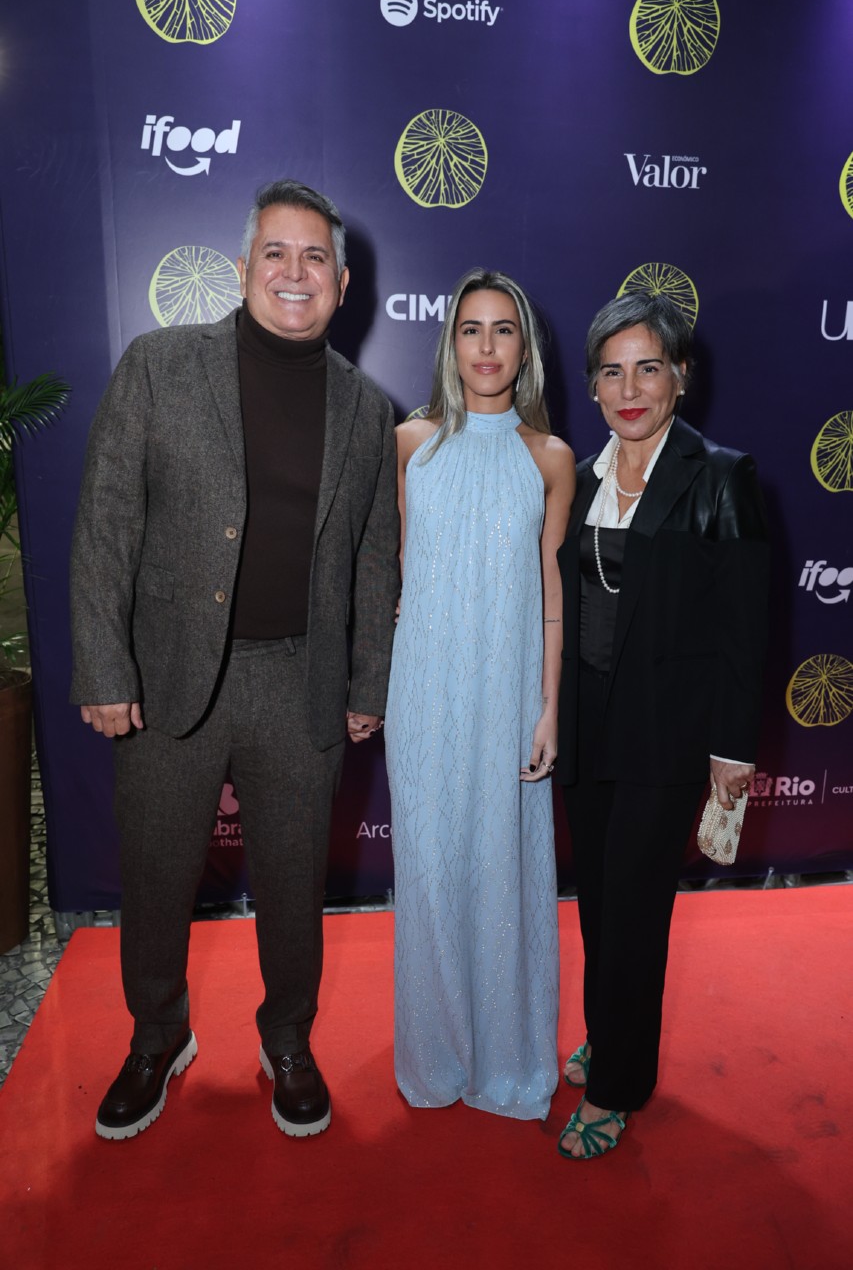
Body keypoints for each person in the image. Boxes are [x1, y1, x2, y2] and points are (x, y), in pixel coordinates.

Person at [69, 179, 399, 1141]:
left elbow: (376, 560)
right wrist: (104, 671)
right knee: (158, 873)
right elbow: (104, 531)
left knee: (295, 885)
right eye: (276, 254)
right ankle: (156, 1037)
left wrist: (366, 682)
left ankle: (286, 1040)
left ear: (340, 283)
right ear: (246, 265)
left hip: (302, 685)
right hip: (171, 677)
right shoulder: (160, 366)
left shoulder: (366, 410)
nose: (293, 274)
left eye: (313, 260)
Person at [555, 292, 770, 1158]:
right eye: (611, 370)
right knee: (598, 908)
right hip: (588, 727)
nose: (629, 387)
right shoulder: (581, 476)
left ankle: (616, 1088)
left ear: (680, 378)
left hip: (667, 737)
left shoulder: (720, 475)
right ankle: (610, 1035)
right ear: (593, 386)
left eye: (648, 367)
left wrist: (730, 751)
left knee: (637, 911)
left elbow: (742, 630)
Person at [385, 269, 575, 1120]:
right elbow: (397, 572)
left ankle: (504, 1057)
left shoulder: (550, 458)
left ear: (524, 349)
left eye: (504, 330)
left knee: (501, 877)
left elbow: (550, 595)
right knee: (427, 876)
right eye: (471, 329)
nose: (487, 347)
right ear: (449, 341)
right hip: (422, 693)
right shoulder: (410, 442)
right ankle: (434, 1055)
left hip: (506, 697)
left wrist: (547, 709)